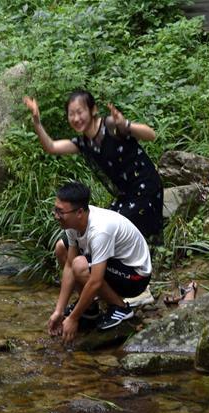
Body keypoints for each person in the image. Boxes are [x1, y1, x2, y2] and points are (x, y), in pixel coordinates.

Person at [24, 90, 162, 306]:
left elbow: (150, 134)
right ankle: (97, 294)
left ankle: (134, 293)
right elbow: (51, 147)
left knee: (118, 235)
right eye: (71, 114)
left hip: (145, 190)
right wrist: (36, 121)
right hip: (125, 194)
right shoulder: (84, 142)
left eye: (80, 112)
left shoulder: (111, 126)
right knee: (76, 243)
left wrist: (126, 124)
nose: (76, 118)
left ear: (93, 110)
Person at [47, 182, 152, 344]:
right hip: (115, 264)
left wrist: (73, 318)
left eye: (61, 212)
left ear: (80, 212)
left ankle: (120, 308)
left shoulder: (100, 230)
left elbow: (95, 281)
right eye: (56, 210)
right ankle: (89, 308)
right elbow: (68, 265)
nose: (56, 216)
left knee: (80, 265)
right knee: (62, 248)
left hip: (135, 277)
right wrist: (59, 311)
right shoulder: (73, 223)